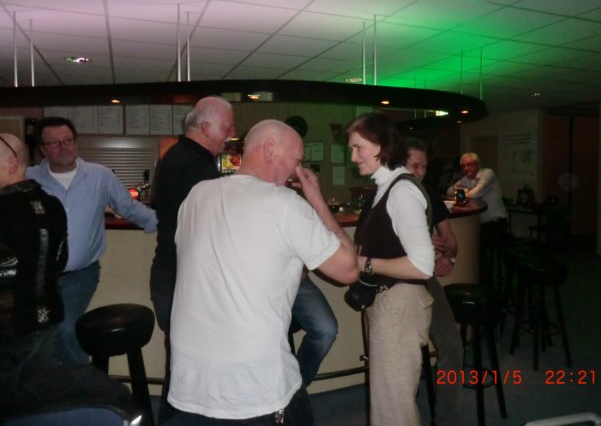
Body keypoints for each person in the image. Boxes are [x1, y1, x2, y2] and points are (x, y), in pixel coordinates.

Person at [167, 119, 359, 424]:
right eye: (296, 160)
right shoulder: (285, 204)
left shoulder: (196, 195)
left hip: (190, 378)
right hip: (253, 385)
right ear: (270, 150)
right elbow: (349, 270)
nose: (297, 170)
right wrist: (317, 201)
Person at [27, 117, 157, 365]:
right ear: (42, 149)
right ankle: (52, 386)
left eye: (68, 140)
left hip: (79, 274)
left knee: (65, 329)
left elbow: (130, 208)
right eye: (54, 143)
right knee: (34, 335)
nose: (63, 147)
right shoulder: (28, 178)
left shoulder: (99, 175)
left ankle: (84, 384)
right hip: (37, 277)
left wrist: (172, 224)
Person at [150, 96, 235, 423]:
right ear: (206, 127)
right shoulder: (193, 166)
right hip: (182, 279)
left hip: (172, 274)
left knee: (183, 365)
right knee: (185, 369)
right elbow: (211, 227)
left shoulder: (182, 157)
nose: (231, 133)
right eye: (227, 127)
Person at [346, 113, 435, 426]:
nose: (353, 156)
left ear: (382, 146)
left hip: (400, 306)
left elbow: (423, 265)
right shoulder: (385, 188)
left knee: (393, 409)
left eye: (358, 148)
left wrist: (366, 264)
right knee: (388, 405)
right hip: (390, 303)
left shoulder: (401, 192)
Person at [0, 134, 68, 413]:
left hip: (8, 328)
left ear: (12, 163)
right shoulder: (53, 204)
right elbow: (60, 261)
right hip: (46, 317)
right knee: (33, 405)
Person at [404, 137, 463, 426]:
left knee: (452, 346)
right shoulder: (387, 196)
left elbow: (451, 240)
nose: (420, 172)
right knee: (405, 355)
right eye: (414, 166)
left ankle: (446, 419)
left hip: (426, 281)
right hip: (395, 284)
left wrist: (448, 257)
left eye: (424, 167)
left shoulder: (428, 195)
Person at [447, 152, 508, 285]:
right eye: (464, 166)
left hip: (496, 224)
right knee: (468, 241)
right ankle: (477, 279)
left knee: (474, 247)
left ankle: (485, 284)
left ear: (478, 165)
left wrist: (463, 192)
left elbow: (476, 193)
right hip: (481, 225)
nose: (466, 168)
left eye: (470, 165)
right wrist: (462, 190)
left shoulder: (488, 174)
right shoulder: (466, 179)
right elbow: (449, 191)